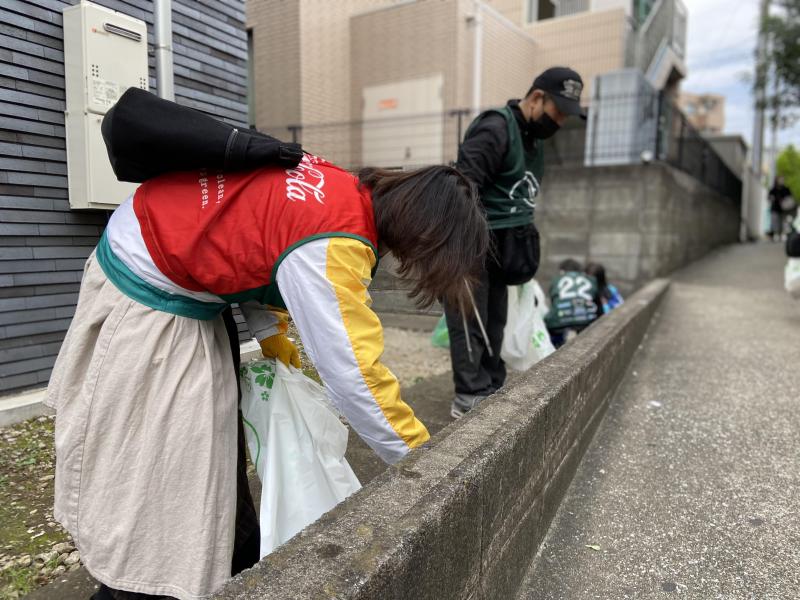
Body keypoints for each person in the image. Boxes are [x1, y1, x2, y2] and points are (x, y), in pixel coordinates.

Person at [45, 155, 489, 600]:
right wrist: (428, 465)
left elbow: (255, 243)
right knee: (162, 484)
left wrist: (274, 336)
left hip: (170, 274)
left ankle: (228, 568)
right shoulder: (337, 241)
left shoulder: (337, 186)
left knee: (210, 464)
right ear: (426, 234)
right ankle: (138, 586)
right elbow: (357, 375)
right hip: (149, 299)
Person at [445, 66, 585, 418]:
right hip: (473, 239)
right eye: (559, 112)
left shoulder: (531, 138)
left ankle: (491, 384)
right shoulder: (495, 128)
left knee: (495, 320)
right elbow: (464, 187)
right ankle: (468, 395)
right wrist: (460, 252)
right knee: (469, 319)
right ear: (538, 98)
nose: (561, 122)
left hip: (506, 245)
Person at [544, 259, 602, 347]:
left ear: (562, 271)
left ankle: (555, 347)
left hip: (559, 323)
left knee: (550, 325)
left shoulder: (556, 280)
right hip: (587, 321)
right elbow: (598, 306)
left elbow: (554, 303)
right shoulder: (591, 279)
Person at [768, 176, 792, 241]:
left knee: (784, 222)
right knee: (775, 222)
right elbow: (769, 197)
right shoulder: (773, 189)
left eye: (782, 180)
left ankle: (782, 235)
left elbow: (790, 198)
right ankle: (776, 234)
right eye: (780, 180)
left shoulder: (786, 189)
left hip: (784, 209)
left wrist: (785, 201)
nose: (781, 181)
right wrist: (772, 198)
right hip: (775, 208)